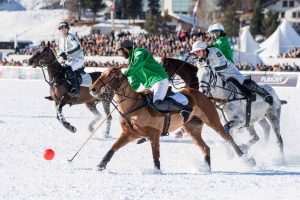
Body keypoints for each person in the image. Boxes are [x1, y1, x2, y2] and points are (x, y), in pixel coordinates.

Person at [115, 39, 192, 122]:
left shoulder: (140, 52)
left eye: (120, 52)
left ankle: (185, 108)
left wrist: (124, 74)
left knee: (157, 103)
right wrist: (126, 94)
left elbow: (137, 65)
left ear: (125, 49)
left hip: (159, 80)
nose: (120, 55)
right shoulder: (131, 61)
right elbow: (135, 82)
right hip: (149, 86)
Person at [190, 41, 273, 105]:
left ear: (204, 49)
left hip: (229, 70)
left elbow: (223, 64)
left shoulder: (215, 51)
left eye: (198, 51)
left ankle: (265, 95)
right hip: (219, 77)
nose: (196, 54)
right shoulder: (199, 61)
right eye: (195, 52)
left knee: (244, 82)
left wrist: (211, 69)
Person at [57, 21, 84, 97]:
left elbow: (77, 47)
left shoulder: (70, 37)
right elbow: (60, 53)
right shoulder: (60, 40)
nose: (62, 30)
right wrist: (58, 60)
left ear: (67, 29)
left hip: (78, 59)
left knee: (68, 70)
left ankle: (76, 89)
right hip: (69, 60)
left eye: (64, 29)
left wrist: (66, 53)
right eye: (61, 29)